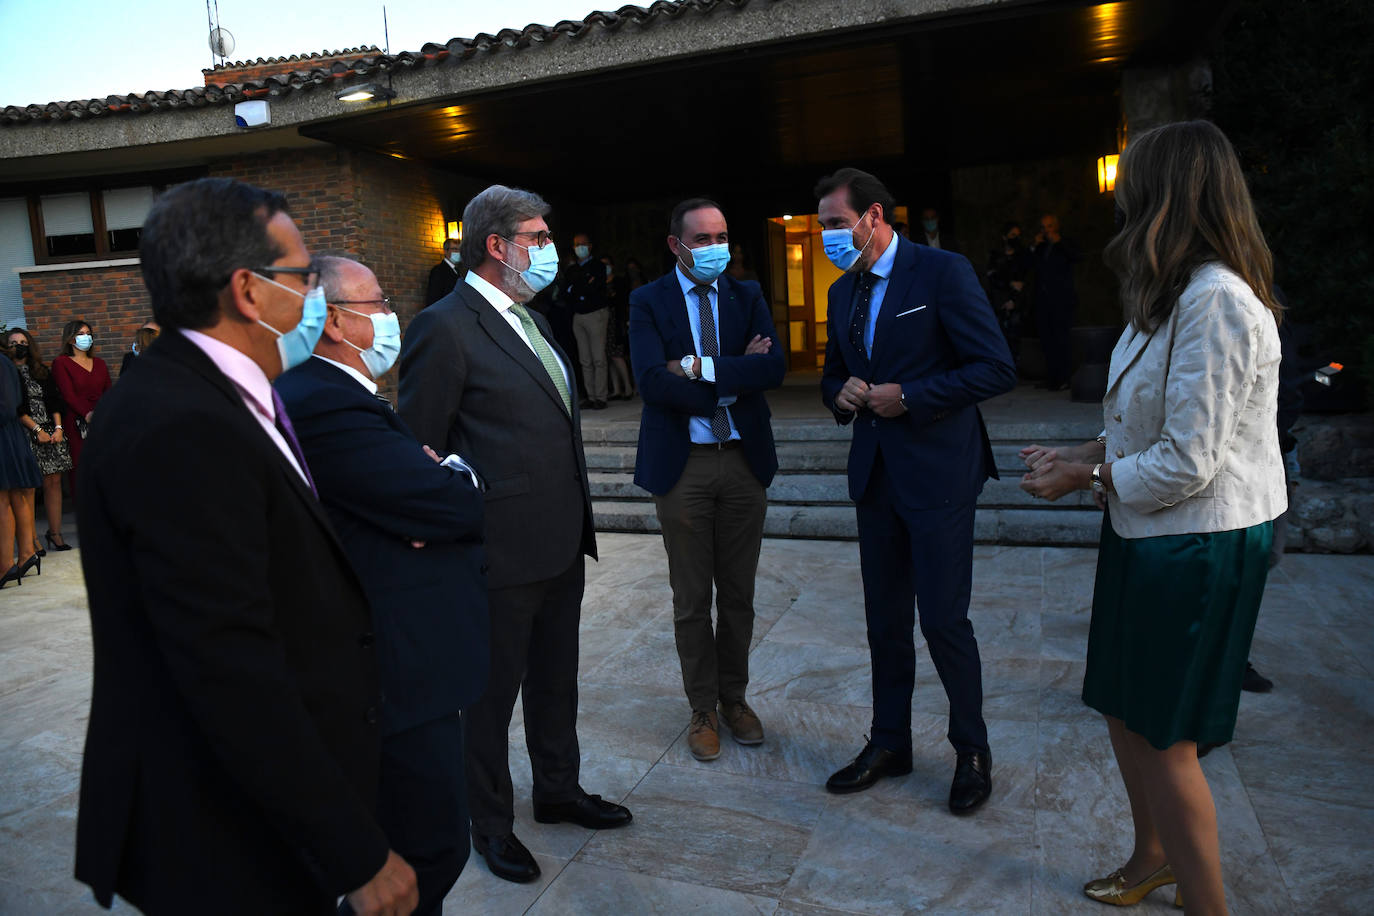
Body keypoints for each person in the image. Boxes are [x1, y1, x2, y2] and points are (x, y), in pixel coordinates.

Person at [73, 176, 417, 914]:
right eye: (300, 278)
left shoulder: (222, 395)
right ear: (249, 291)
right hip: (223, 833)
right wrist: (354, 853)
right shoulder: (179, 423)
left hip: (260, 815)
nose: (313, 299)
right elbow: (228, 661)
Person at [1018, 120, 1286, 914]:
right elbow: (1146, 422)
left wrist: (1086, 477)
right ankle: (1152, 860)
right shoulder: (1164, 294)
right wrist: (1083, 454)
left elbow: (1189, 461)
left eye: (1131, 186)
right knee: (1125, 710)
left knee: (1167, 739)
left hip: (1197, 544)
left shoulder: (1220, 303)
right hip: (1147, 532)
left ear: (1168, 195)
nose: (1121, 202)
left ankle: (1208, 905)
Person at [398, 185, 631, 886]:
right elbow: (418, 446)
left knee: (556, 683)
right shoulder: (445, 325)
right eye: (536, 236)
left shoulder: (535, 319)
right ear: (497, 247)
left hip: (561, 541)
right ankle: (490, 824)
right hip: (497, 551)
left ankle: (558, 791)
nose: (549, 247)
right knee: (490, 700)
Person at [276, 256, 489, 916]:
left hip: (397, 659)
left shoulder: (341, 393)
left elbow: (422, 498)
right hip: (393, 670)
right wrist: (455, 479)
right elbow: (451, 505)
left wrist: (433, 485)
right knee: (430, 846)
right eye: (379, 304)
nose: (391, 316)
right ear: (335, 321)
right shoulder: (323, 399)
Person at [815, 167, 1015, 813]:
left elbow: (994, 367)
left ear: (875, 216)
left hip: (939, 473)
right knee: (885, 621)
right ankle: (889, 742)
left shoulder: (941, 271)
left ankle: (972, 751)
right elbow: (834, 377)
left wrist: (916, 396)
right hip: (876, 476)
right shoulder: (843, 294)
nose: (827, 238)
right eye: (822, 227)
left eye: (836, 224)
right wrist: (840, 395)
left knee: (944, 620)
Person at [628, 198, 786, 762]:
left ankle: (735, 699)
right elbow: (652, 383)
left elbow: (774, 368)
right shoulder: (647, 301)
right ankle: (702, 708)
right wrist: (732, 374)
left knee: (738, 595)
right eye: (703, 239)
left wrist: (696, 366)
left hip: (743, 461)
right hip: (684, 467)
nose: (717, 247)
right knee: (692, 598)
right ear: (677, 245)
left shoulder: (747, 295)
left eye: (722, 235)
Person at [8, 328, 73, 555]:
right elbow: (15, 408)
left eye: (24, 341)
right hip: (26, 431)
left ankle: (55, 533)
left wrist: (57, 428)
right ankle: (32, 540)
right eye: (14, 342)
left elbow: (55, 401)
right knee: (29, 487)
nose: (19, 345)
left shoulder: (41, 370)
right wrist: (36, 430)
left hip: (51, 430)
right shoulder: (7, 372)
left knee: (54, 482)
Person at [52, 319, 111, 500]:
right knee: (82, 467)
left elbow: (108, 390)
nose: (86, 337)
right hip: (78, 422)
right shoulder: (61, 363)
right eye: (81, 334)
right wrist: (87, 413)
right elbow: (68, 395)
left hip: (102, 419)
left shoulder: (99, 363)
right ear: (70, 339)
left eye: (88, 334)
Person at [0, 344, 43, 587]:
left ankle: (5, 565)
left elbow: (6, 407)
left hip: (4, 435)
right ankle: (26, 554)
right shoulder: (6, 362)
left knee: (4, 498)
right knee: (16, 495)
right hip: (10, 435)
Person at [1030, 214, 1081, 391]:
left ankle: (1065, 377)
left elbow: (1075, 257)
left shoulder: (1065, 243)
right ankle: (1052, 378)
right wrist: (1034, 246)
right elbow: (1033, 268)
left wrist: (1058, 242)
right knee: (1047, 339)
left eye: (1050, 226)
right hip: (1044, 300)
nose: (1047, 231)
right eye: (1043, 227)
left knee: (1062, 338)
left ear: (1056, 226)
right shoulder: (1042, 247)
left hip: (1062, 300)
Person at [561, 232, 611, 409]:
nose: (579, 248)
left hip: (595, 313)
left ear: (590, 246)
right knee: (585, 359)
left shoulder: (598, 266)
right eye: (576, 245)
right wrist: (582, 285)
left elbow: (595, 288)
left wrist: (577, 287)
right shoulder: (572, 269)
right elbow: (565, 291)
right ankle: (591, 396)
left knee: (598, 358)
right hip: (578, 316)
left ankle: (601, 397)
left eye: (582, 244)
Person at [985, 221, 1032, 361]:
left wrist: (1015, 301)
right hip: (999, 304)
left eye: (1018, 235)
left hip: (1017, 306)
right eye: (1012, 235)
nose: (1016, 238)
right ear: (1004, 237)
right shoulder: (996, 256)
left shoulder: (1023, 256)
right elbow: (992, 278)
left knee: (1014, 341)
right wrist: (1008, 286)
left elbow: (1026, 282)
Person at [603, 255, 635, 400]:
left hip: (616, 321)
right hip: (605, 322)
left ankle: (628, 388)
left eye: (607, 264)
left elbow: (621, 301)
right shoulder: (600, 282)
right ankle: (616, 390)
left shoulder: (619, 282)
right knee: (609, 357)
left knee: (617, 355)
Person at [426, 237, 465, 307]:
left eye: (459, 250)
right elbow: (434, 297)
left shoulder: (460, 271)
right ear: (446, 251)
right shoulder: (438, 271)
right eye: (455, 249)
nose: (458, 252)